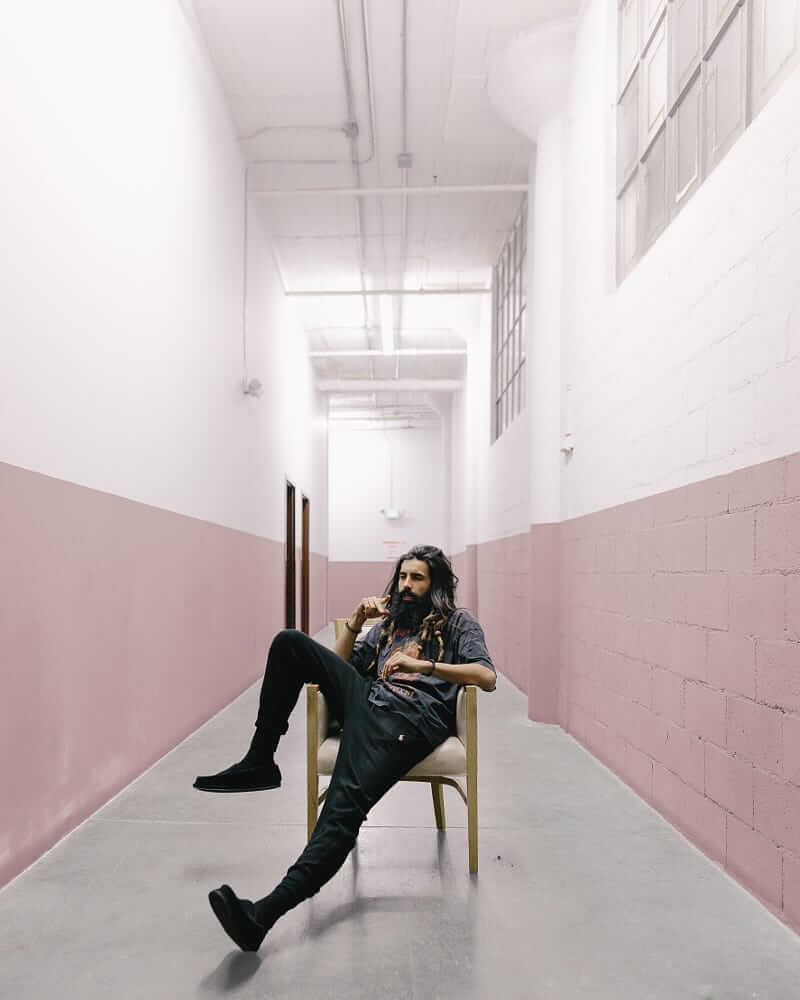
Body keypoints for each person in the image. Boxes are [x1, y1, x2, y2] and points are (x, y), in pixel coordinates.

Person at [194, 544, 496, 952]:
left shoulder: (459, 623)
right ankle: (260, 760)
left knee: (339, 815)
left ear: (436, 585)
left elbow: (486, 677)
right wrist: (354, 624)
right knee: (290, 643)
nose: (406, 586)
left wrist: (421, 665)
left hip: (404, 723)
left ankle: (261, 915)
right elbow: (333, 669)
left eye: (417, 578)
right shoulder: (388, 625)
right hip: (365, 698)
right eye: (402, 577)